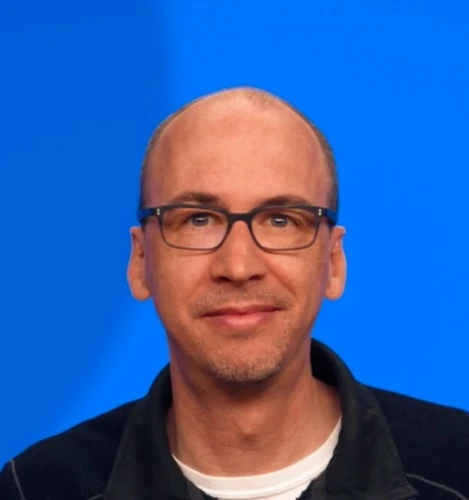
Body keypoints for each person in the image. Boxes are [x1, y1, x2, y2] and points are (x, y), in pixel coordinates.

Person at [1, 87, 468, 500]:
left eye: (281, 220)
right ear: (140, 261)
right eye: (198, 220)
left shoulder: (458, 467)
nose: (239, 267)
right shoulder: (37, 488)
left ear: (334, 262)